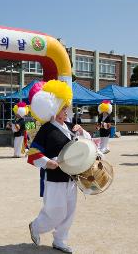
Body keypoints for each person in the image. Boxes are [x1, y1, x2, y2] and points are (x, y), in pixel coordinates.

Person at [27, 80, 91, 254]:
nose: (67, 110)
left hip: (72, 177)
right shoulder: (46, 129)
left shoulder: (71, 127)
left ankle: (60, 240)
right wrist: (48, 162)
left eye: (66, 107)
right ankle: (36, 226)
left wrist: (82, 131)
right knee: (56, 211)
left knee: (69, 212)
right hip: (54, 178)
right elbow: (32, 154)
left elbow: (87, 144)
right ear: (55, 108)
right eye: (63, 107)